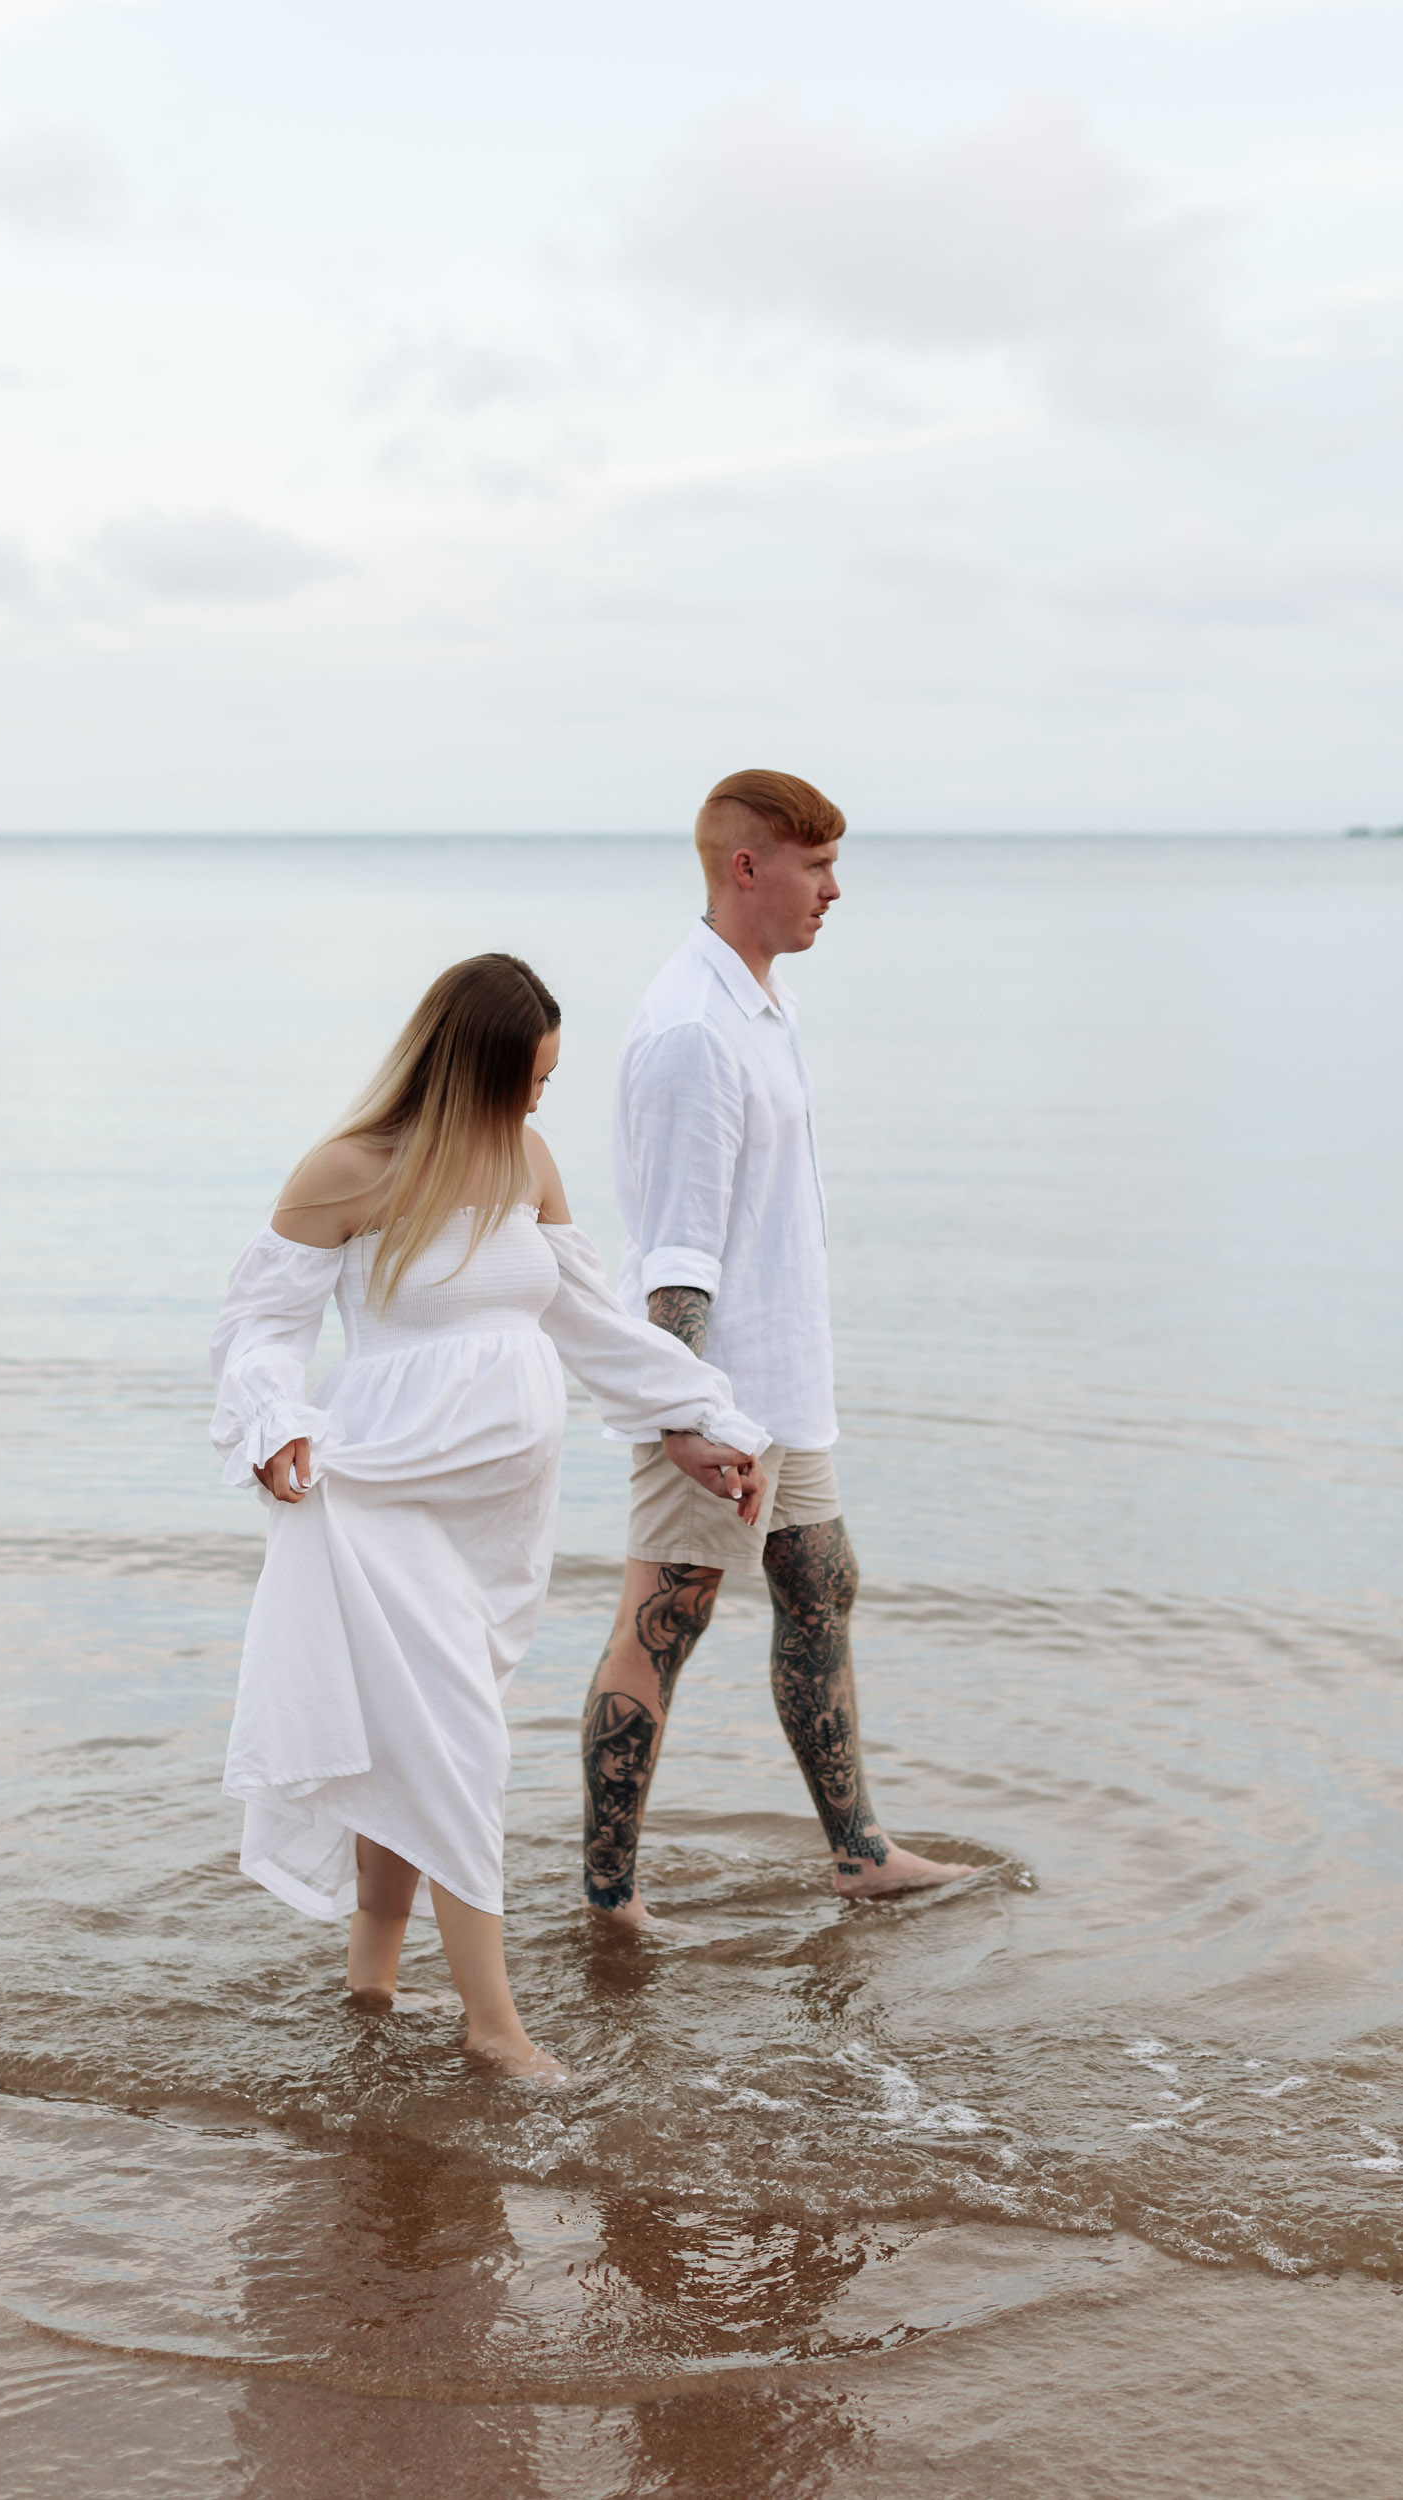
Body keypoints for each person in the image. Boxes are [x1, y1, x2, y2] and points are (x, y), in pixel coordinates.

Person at [210, 954, 769, 2075]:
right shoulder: (347, 1169)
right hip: (379, 1502)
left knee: (411, 1748)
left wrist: (693, 1418)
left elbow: (591, 1322)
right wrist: (272, 1421)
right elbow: (260, 1326)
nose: (536, 1101)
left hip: (497, 1519)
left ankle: (371, 1985)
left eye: (548, 1082)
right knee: (461, 1744)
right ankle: (494, 2028)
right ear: (467, 1066)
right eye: (526, 1079)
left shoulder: (524, 1160)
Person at [580, 770, 974, 1927]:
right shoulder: (693, 1031)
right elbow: (675, 1255)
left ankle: (857, 1855)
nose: (834, 891)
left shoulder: (756, 1000)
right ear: (744, 868)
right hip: (714, 1394)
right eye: (815, 865)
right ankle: (608, 1898)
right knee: (664, 1621)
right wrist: (685, 1419)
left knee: (821, 1584)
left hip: (782, 1381)